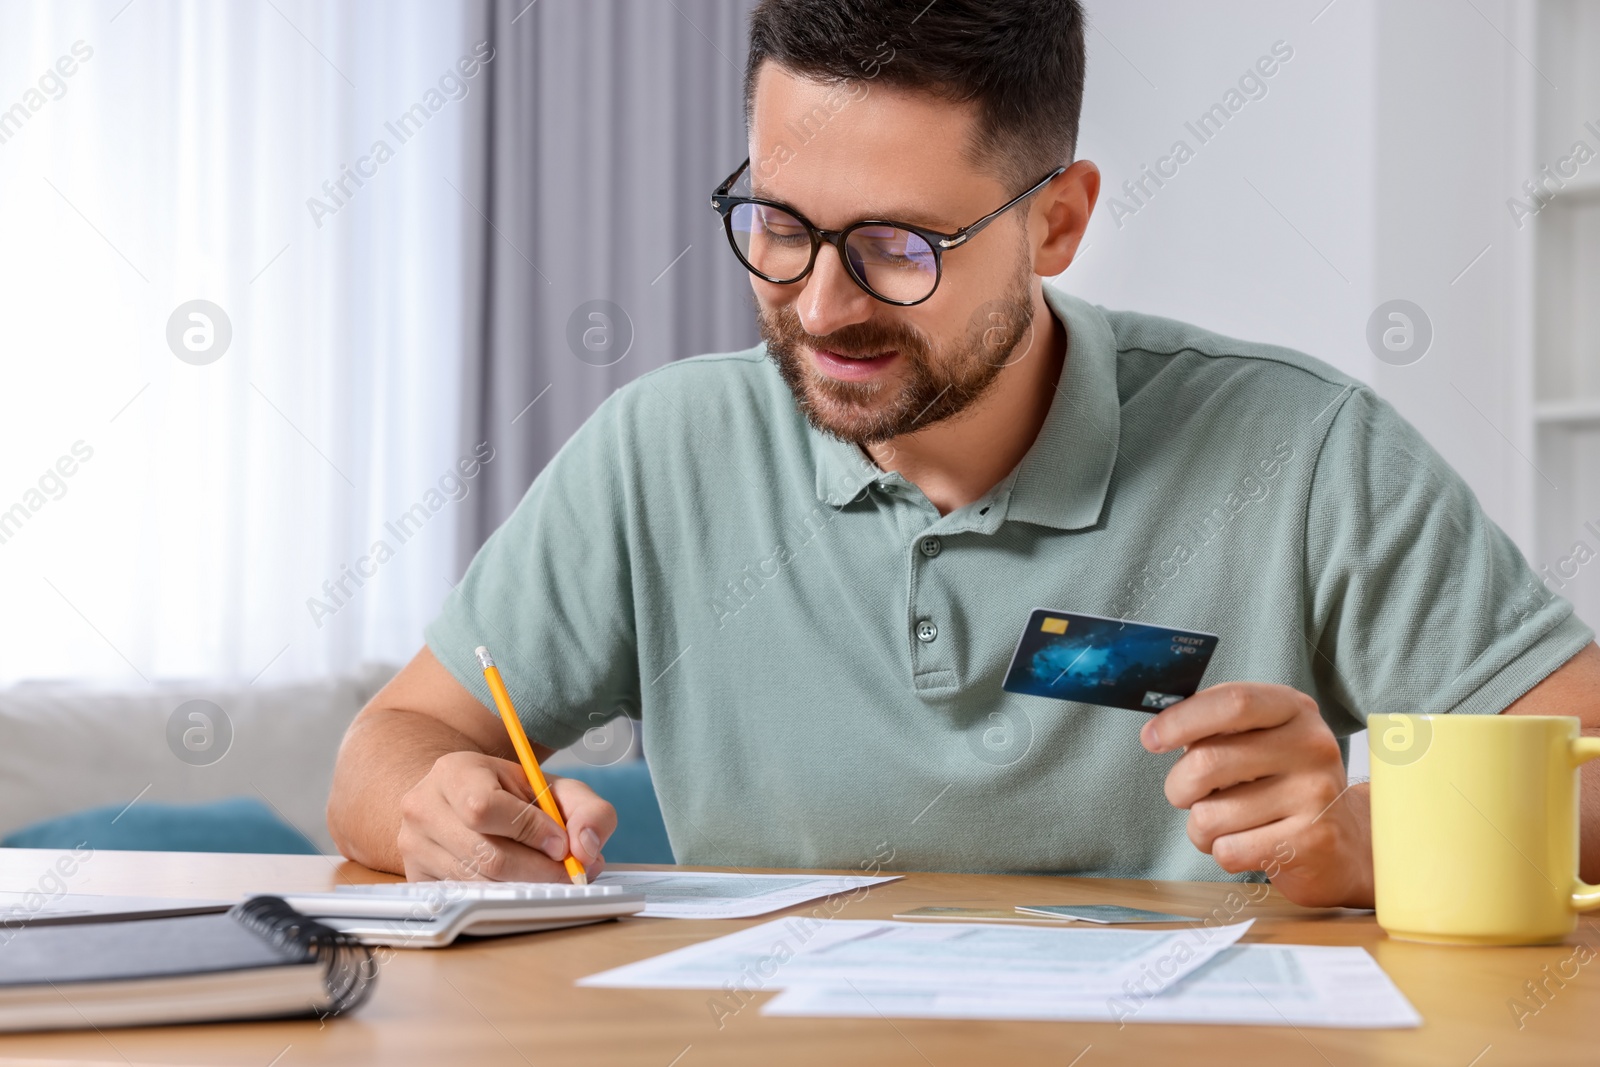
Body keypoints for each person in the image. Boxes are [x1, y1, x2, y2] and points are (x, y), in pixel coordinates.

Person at [327, 0, 1600, 907]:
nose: (821, 307)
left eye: (897, 246)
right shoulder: (660, 452)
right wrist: (432, 804)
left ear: (1056, 221)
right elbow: (388, 748)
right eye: (777, 224)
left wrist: (1371, 837)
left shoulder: (1303, 450)